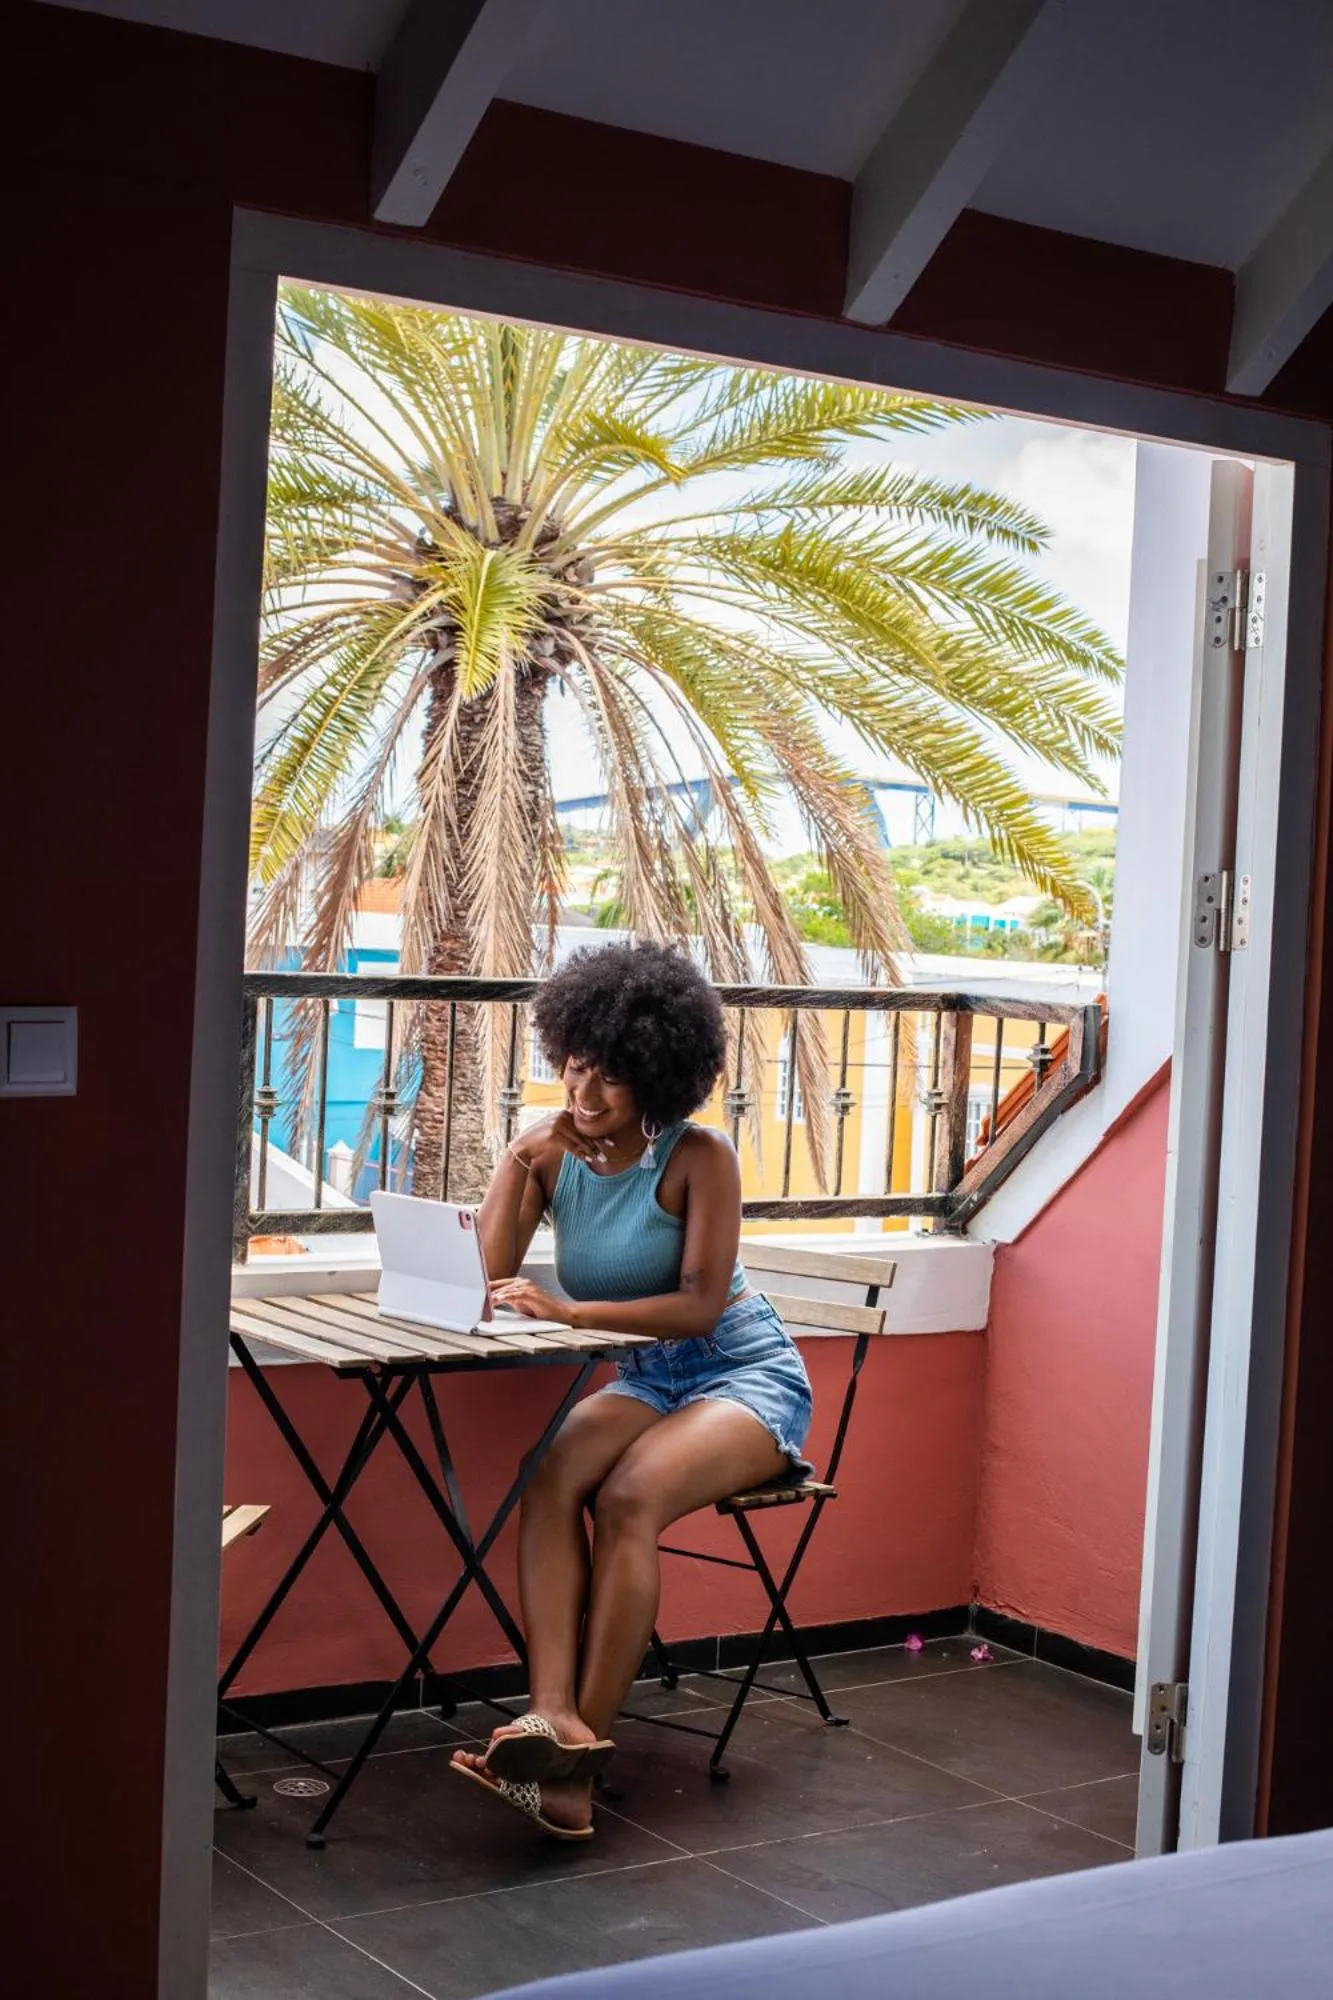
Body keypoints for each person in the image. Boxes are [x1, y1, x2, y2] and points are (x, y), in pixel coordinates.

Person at [450, 941, 813, 1840]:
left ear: (656, 1075)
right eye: (576, 1065)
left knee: (628, 1497)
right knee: (549, 1482)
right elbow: (484, 1276)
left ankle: (581, 1755)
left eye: (611, 1076)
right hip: (648, 1377)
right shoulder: (552, 1150)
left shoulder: (700, 1157)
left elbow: (695, 1308)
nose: (587, 1092)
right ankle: (548, 1719)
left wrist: (571, 1314)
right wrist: (518, 1157)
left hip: (739, 1369)